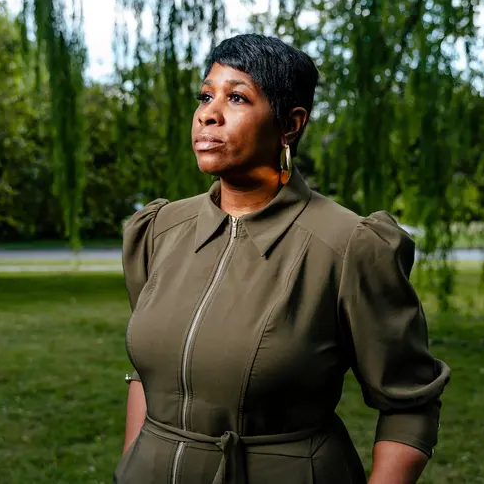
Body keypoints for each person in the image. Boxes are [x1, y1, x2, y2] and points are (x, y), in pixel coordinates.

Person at [116, 34, 450, 484]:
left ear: (289, 124)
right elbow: (145, 373)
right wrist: (130, 467)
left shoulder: (350, 245)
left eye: (236, 97)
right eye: (205, 96)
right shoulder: (158, 231)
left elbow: (409, 404)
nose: (207, 114)